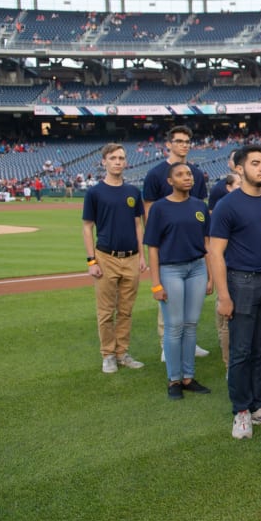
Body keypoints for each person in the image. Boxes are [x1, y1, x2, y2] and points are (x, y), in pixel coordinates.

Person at [207, 144, 261, 439]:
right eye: (255, 163)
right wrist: (224, 296)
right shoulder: (227, 205)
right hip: (240, 283)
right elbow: (216, 253)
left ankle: (260, 406)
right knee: (241, 351)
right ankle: (241, 411)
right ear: (239, 168)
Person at [144, 162, 214, 399]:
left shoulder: (199, 206)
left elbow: (207, 245)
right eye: (180, 174)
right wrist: (156, 283)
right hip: (170, 270)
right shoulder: (160, 208)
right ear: (170, 181)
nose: (187, 177)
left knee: (191, 324)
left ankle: (188, 376)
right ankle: (174, 379)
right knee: (174, 326)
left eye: (189, 174)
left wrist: (211, 275)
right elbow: (152, 247)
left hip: (197, 268)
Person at [143, 125, 211, 361]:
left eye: (187, 142)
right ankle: (166, 344)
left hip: (191, 245)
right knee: (170, 304)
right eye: (179, 141)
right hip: (167, 244)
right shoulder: (156, 174)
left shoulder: (196, 174)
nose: (184, 145)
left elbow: (199, 209)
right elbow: (150, 210)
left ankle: (189, 344)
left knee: (191, 305)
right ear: (169, 144)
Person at [82, 143, 147, 374]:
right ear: (104, 162)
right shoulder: (95, 192)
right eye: (113, 158)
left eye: (121, 158)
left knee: (126, 310)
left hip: (131, 257)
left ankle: (122, 353)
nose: (118, 161)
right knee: (106, 311)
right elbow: (87, 227)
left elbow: (138, 225)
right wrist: (92, 260)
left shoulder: (132, 192)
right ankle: (108, 354)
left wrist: (141, 255)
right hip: (106, 257)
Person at [211, 171, 242, 368]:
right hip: (230, 272)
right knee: (227, 323)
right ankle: (230, 365)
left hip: (252, 275)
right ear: (228, 188)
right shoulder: (223, 210)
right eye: (237, 183)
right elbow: (215, 252)